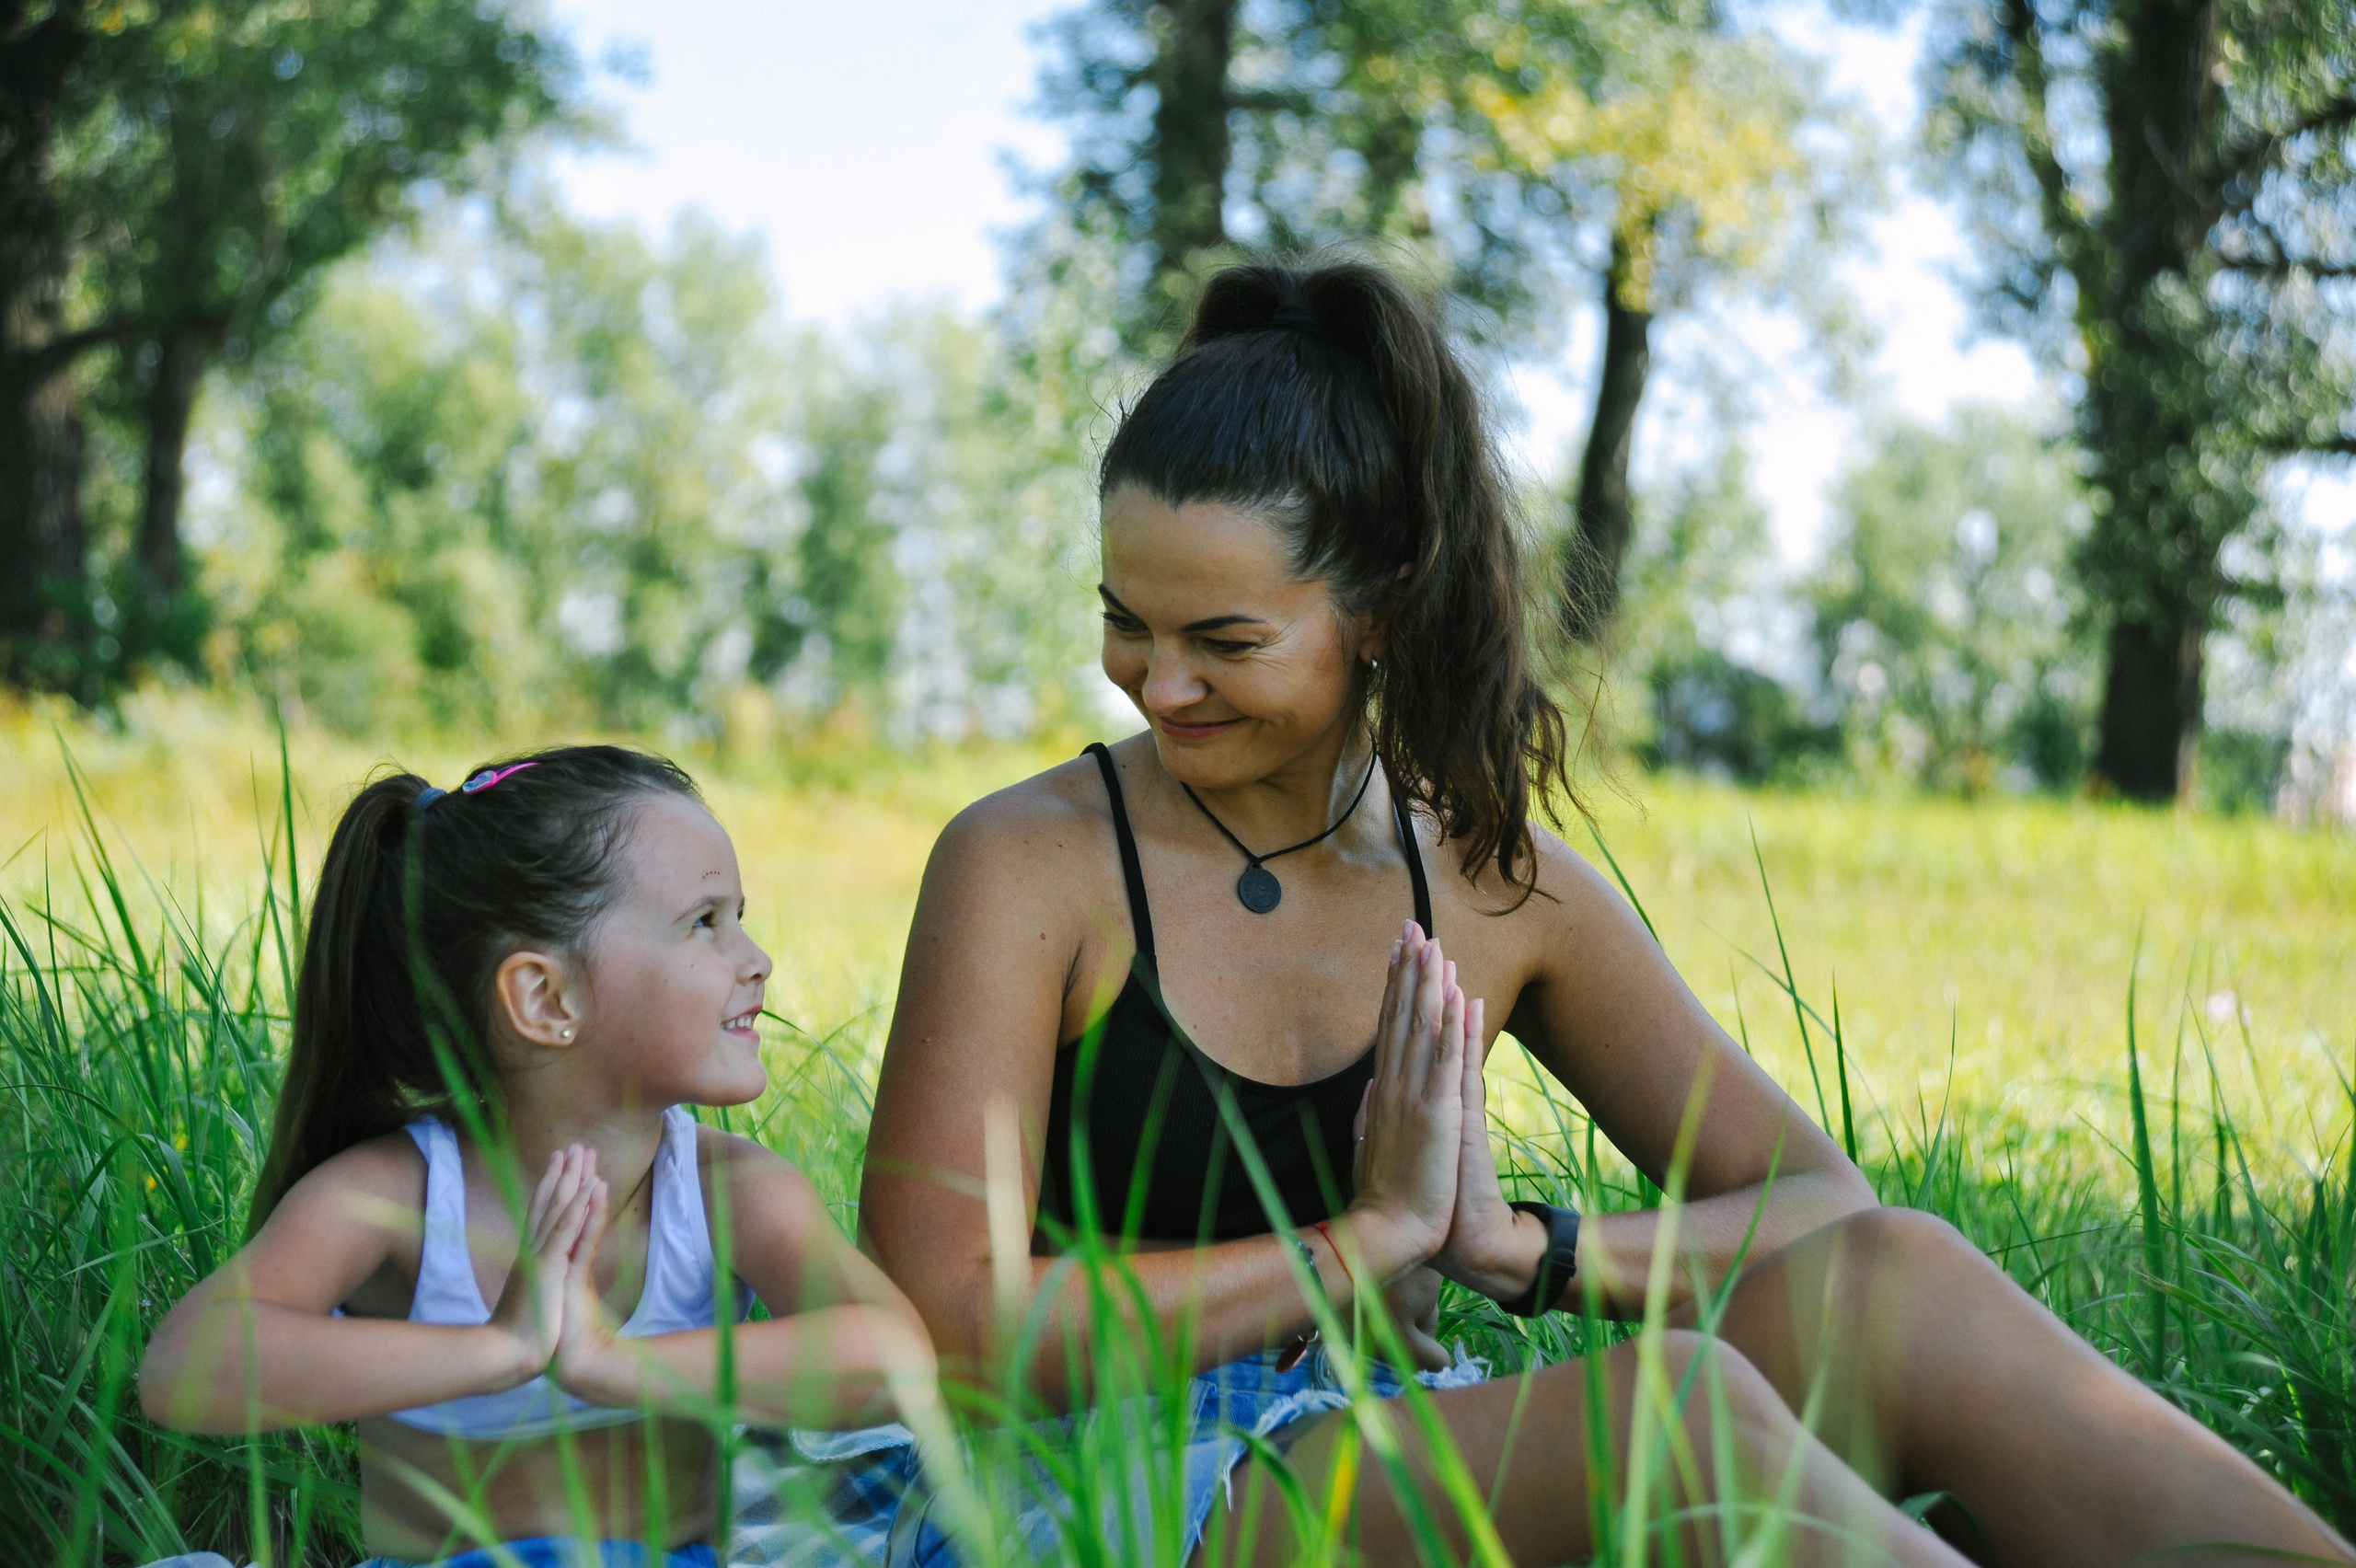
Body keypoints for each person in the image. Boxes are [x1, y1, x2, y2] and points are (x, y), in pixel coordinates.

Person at [857, 262, 2354, 1566]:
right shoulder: (1028, 861)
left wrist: (1526, 1251)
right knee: (1681, 1410)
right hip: (1085, 1484)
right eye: (1126, 617)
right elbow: (940, 1325)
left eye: (1223, 637)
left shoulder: (1501, 884)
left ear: (1379, 606)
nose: (1155, 679)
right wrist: (1361, 1239)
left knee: (1898, 1281)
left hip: (1387, 1444)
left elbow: (1818, 1200)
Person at [139, 746, 939, 1568]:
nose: (755, 959)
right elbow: (184, 1369)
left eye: (739, 917)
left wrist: (610, 1364)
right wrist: (502, 1348)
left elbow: (896, 1360)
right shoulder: (396, 1197)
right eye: (705, 922)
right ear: (545, 998)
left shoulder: (730, 1190)